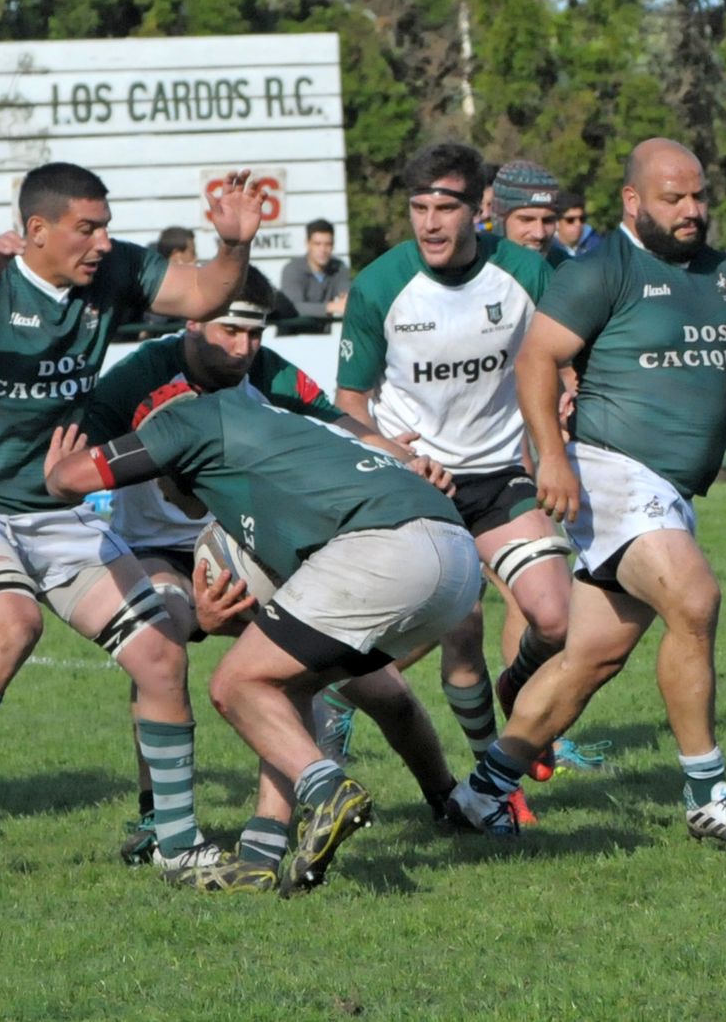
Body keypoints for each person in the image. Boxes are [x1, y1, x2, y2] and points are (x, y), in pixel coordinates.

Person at [0, 160, 268, 887]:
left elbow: (206, 291)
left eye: (106, 225)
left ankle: (175, 844)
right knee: (12, 625)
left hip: (57, 510)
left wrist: (234, 245)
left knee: (160, 652)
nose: (102, 241)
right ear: (37, 231)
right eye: (87, 228)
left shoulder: (113, 270)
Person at [448, 138, 726, 845]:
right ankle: (708, 793)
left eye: (699, 196)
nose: (692, 210)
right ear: (634, 201)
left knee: (593, 655)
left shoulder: (725, 274)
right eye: (675, 198)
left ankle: (480, 792)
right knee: (694, 599)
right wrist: (552, 457)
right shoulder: (603, 270)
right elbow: (538, 358)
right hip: (611, 470)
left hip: (665, 491)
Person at [81, 268, 460, 890]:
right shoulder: (138, 377)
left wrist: (403, 456)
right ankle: (161, 819)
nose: (243, 348)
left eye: (255, 334)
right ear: (193, 319)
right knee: (162, 638)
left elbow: (344, 427)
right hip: (162, 547)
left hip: (259, 542)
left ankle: (446, 799)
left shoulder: (266, 370)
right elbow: (78, 453)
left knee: (378, 691)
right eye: (231, 330)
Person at [334, 142, 572, 824]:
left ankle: (517, 682)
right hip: (419, 486)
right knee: (461, 623)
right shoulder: (381, 285)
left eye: (446, 206)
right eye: (418, 207)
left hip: (500, 475)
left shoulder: (527, 272)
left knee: (557, 620)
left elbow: (564, 350)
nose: (430, 223)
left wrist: (565, 391)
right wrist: (394, 451)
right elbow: (349, 402)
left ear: (482, 208)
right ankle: (494, 783)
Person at [492, 161, 568, 267]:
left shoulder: (566, 269)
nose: (539, 234)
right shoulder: (475, 269)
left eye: (548, 221)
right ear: (500, 219)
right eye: (526, 220)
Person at [279, 218, 350, 320]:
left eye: (328, 244)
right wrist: (330, 307)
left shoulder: (339, 268)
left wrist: (346, 299)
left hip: (328, 333)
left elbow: (346, 296)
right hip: (294, 333)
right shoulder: (292, 269)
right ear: (307, 244)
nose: (323, 250)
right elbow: (293, 307)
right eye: (317, 244)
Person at [552, 191, 602, 260]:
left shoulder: (598, 246)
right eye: (570, 220)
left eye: (582, 219)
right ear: (556, 223)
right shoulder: (547, 247)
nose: (578, 224)